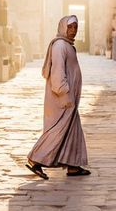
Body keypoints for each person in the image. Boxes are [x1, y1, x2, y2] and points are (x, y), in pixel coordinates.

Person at [26, 15, 90, 179]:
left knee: (72, 129)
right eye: (70, 27)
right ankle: (35, 159)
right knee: (58, 130)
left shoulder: (68, 45)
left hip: (69, 98)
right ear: (63, 27)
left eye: (75, 27)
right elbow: (58, 73)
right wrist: (64, 92)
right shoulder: (60, 46)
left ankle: (73, 166)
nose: (73, 31)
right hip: (61, 98)